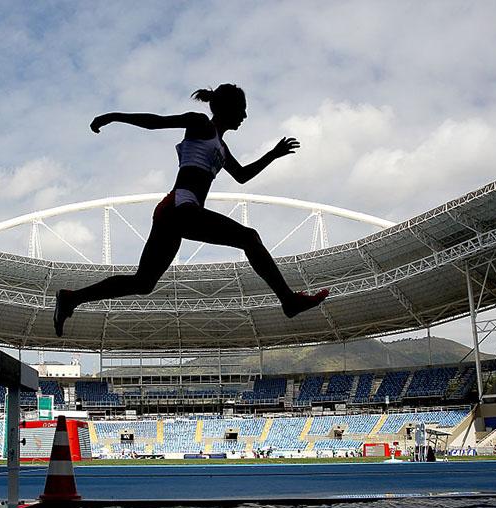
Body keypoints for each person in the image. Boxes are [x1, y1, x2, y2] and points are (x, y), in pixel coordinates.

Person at [54, 84, 328, 336]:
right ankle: (289, 300)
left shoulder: (221, 146)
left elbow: (242, 176)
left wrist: (273, 154)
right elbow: (156, 122)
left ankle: (71, 298)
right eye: (242, 109)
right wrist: (113, 116)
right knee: (249, 237)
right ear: (227, 109)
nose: (245, 115)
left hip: (173, 213)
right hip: (179, 208)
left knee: (143, 283)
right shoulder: (200, 124)